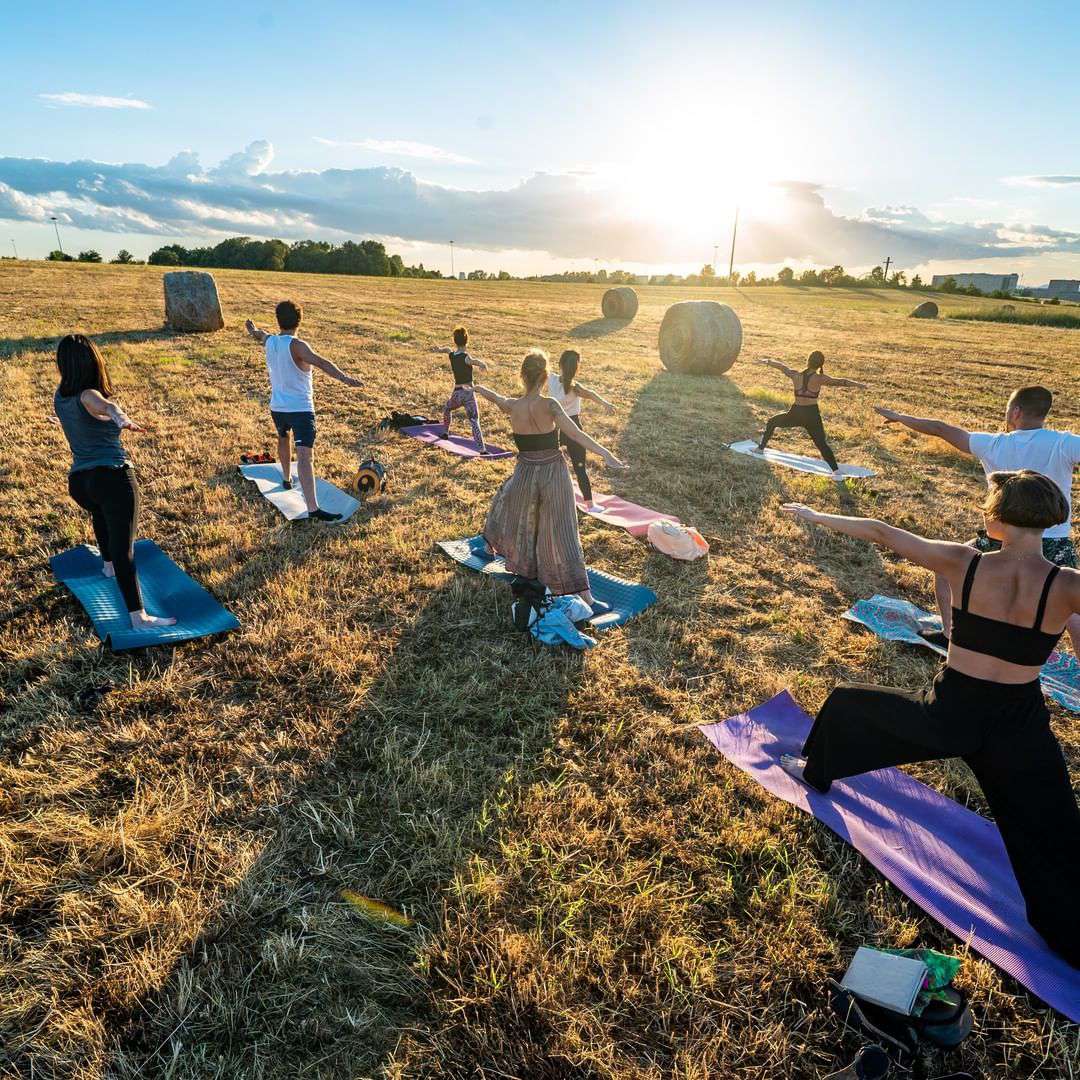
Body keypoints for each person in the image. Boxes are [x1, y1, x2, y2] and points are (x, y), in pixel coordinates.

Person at [779, 471, 1080, 966]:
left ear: (997, 519)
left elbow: (880, 530)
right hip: (1019, 725)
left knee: (848, 703)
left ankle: (815, 769)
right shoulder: (1067, 585)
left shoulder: (965, 561)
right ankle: (1069, 936)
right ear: (1049, 521)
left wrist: (815, 515)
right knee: (1056, 830)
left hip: (951, 711)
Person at [877, 386, 1080, 653]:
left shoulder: (995, 443)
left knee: (945, 570)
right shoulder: (1065, 443)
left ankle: (951, 636)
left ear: (1016, 411)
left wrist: (902, 417)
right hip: (1053, 541)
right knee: (1073, 611)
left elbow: (940, 428)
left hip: (999, 539)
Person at [474, 350, 627, 611]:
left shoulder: (513, 405)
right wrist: (607, 454)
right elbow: (577, 435)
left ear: (522, 375)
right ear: (545, 377)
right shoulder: (551, 405)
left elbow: (496, 397)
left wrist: (479, 388)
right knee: (563, 531)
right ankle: (586, 597)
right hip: (553, 473)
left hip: (525, 474)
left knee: (511, 509)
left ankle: (492, 549)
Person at [52, 333, 176, 631]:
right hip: (112, 478)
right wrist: (120, 418)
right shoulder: (88, 394)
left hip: (80, 484)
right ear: (93, 362)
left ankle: (107, 566)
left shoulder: (60, 395)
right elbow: (106, 407)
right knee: (125, 549)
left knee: (100, 515)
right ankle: (139, 618)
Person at [245, 300, 363, 522]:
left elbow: (260, 335)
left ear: (278, 320)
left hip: (278, 407)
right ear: (299, 320)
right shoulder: (298, 345)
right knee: (305, 457)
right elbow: (322, 362)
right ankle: (313, 508)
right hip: (300, 409)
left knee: (283, 438)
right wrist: (345, 378)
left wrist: (252, 330)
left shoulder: (270, 341)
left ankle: (287, 478)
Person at [757, 350, 867, 480]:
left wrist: (768, 362)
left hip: (796, 413)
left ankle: (760, 448)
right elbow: (841, 381)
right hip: (812, 415)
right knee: (821, 444)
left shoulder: (795, 375)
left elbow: (782, 367)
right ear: (820, 365)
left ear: (808, 361)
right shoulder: (820, 378)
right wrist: (859, 385)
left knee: (772, 422)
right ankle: (836, 471)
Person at [547, 349, 616, 510]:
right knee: (580, 468)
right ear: (576, 369)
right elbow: (591, 394)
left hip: (554, 426)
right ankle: (590, 505)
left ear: (560, 364)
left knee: (550, 465)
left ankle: (551, 498)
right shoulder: (575, 387)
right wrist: (605, 403)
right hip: (573, 427)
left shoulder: (551, 379)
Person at [431, 325, 489, 452]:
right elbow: (474, 361)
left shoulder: (452, 356)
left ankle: (446, 432)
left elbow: (447, 350)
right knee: (474, 421)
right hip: (469, 394)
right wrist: (483, 364)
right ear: (467, 340)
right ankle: (482, 449)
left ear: (455, 341)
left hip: (457, 394)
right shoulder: (466, 357)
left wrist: (439, 349)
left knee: (447, 409)